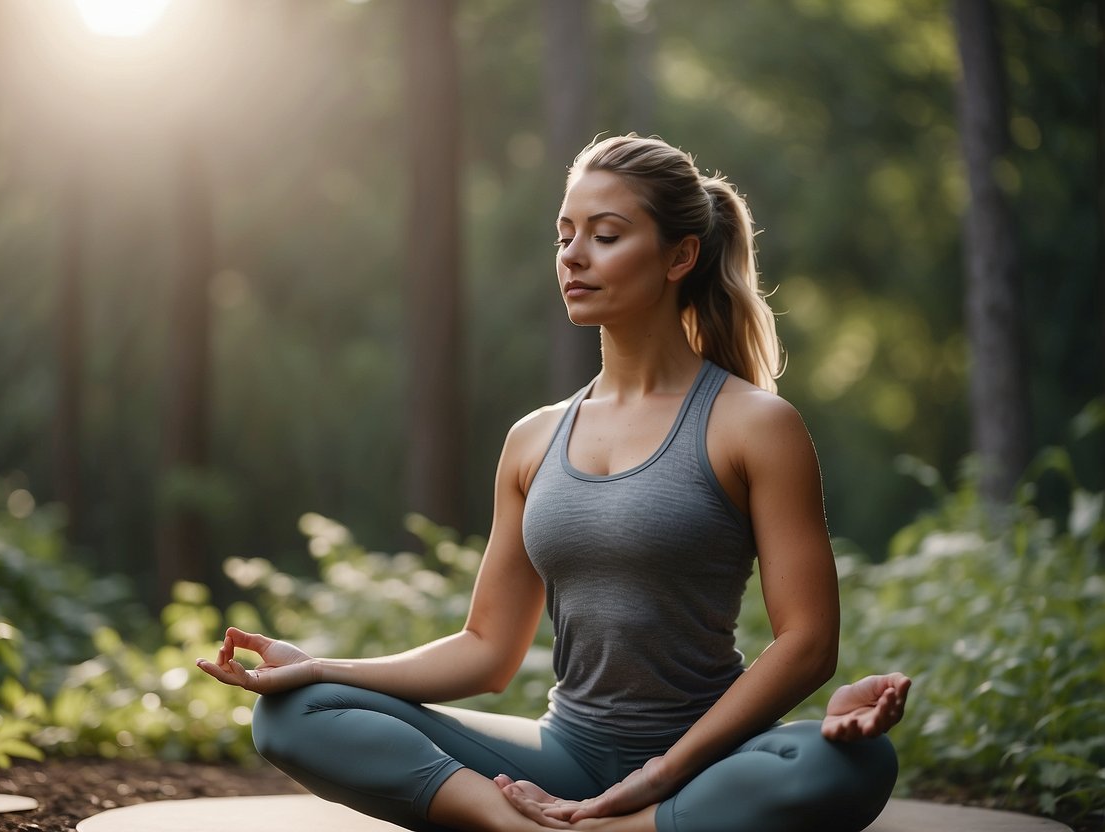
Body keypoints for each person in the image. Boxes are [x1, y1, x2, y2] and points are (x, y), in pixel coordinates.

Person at [196, 134, 911, 832]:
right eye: (564, 233)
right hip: (565, 755)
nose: (572, 254)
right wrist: (320, 668)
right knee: (294, 711)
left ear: (680, 256)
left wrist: (657, 776)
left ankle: (624, 826)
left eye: (604, 234)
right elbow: (486, 648)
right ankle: (524, 827)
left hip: (706, 759)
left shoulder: (754, 425)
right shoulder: (533, 439)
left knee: (853, 761)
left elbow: (807, 642)